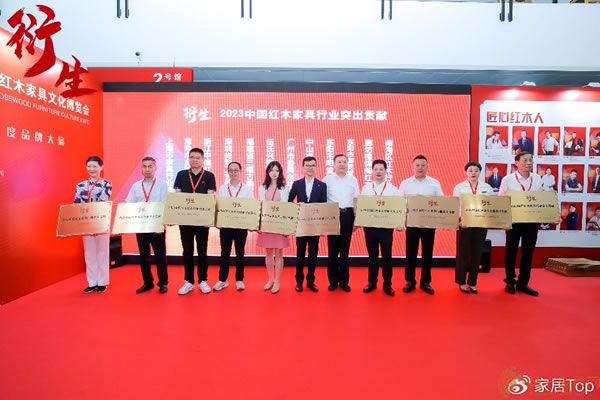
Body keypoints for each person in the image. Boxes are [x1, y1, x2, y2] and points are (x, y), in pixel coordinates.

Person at [498, 152, 542, 296]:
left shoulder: (537, 178)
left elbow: (542, 198)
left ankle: (523, 282)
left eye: (530, 160)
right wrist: (504, 220)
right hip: (514, 221)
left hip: (531, 221)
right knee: (511, 251)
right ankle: (510, 281)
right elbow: (501, 200)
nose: (528, 163)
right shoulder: (508, 179)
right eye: (525, 160)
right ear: (517, 163)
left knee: (528, 252)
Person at [398, 155, 444, 295]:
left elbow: (441, 202)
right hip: (412, 223)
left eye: (423, 165)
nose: (420, 168)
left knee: (427, 254)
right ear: (413, 167)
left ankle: (425, 281)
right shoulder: (405, 183)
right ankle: (410, 281)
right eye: (417, 165)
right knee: (410, 253)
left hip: (429, 224)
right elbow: (399, 203)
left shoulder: (434, 183)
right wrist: (401, 219)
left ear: (427, 167)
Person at [174, 147, 217, 295]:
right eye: (192, 157)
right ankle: (189, 281)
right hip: (185, 220)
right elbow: (178, 196)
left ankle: (203, 280)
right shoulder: (181, 174)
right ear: (189, 159)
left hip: (202, 221)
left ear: (203, 159)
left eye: (198, 157)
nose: (194, 160)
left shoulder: (209, 176)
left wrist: (208, 218)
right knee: (187, 251)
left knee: (202, 250)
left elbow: (210, 197)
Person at [125, 157, 169, 294]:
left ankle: (163, 283)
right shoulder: (136, 186)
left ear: (155, 168)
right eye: (144, 166)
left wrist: (162, 224)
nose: (147, 169)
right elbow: (129, 204)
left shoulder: (162, 184)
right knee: (144, 256)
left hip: (156, 226)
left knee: (160, 256)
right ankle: (147, 282)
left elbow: (165, 204)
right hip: (141, 226)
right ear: (141, 168)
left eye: (150, 166)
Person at [453, 161, 493, 294]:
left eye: (476, 171)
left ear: (480, 172)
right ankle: (461, 282)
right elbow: (456, 205)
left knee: (476, 253)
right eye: (470, 170)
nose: (473, 173)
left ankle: (472, 282)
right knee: (463, 253)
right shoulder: (459, 187)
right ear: (466, 172)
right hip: (464, 224)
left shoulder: (487, 187)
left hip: (481, 223)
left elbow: (491, 205)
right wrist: (460, 219)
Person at [288, 156, 327, 293]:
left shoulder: (322, 185)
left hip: (315, 225)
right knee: (300, 253)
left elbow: (323, 206)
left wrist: (322, 227)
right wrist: (297, 207)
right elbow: (289, 201)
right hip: (301, 224)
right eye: (307, 165)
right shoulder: (297, 184)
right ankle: (299, 281)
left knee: (313, 253)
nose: (310, 168)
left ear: (316, 167)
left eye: (312, 165)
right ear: (303, 167)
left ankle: (311, 280)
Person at [361, 160, 399, 296]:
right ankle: (372, 282)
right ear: (372, 171)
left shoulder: (393, 189)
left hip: (386, 228)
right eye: (375, 169)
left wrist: (399, 223)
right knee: (372, 256)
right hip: (370, 227)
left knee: (387, 256)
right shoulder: (366, 188)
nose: (378, 172)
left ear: (385, 171)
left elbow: (398, 208)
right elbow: (362, 207)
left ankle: (387, 284)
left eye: (381, 169)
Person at [74, 156, 112, 294]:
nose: (92, 169)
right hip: (85, 223)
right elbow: (76, 204)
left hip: (100, 222)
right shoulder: (80, 185)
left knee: (102, 252)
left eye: (95, 166)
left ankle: (102, 282)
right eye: (89, 166)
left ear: (101, 167)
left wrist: (92, 217)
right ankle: (92, 282)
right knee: (89, 253)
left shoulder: (106, 185)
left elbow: (102, 202)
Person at [213, 162, 254, 292]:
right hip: (226, 226)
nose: (233, 173)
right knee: (224, 253)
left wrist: (250, 223)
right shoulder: (223, 188)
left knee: (240, 253)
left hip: (241, 226)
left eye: (236, 170)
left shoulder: (247, 189)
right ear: (228, 172)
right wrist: (218, 222)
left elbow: (250, 207)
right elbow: (219, 206)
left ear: (240, 171)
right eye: (231, 170)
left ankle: (239, 280)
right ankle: (222, 280)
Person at [323, 154, 360, 292]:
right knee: (332, 249)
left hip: (348, 215)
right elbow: (323, 200)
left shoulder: (353, 180)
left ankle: (344, 281)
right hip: (332, 214)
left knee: (345, 249)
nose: (342, 164)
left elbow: (356, 200)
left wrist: (356, 219)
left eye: (345, 162)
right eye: (339, 162)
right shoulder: (327, 180)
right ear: (334, 164)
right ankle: (333, 281)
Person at [257, 161, 290, 294]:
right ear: (268, 172)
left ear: (280, 172)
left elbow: (285, 206)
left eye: (276, 170)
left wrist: (285, 225)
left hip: (280, 223)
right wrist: (259, 224)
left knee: (279, 253)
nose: (274, 173)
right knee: (269, 252)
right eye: (271, 170)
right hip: (267, 223)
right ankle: (270, 279)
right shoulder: (262, 187)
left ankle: (277, 280)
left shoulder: (285, 187)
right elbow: (261, 205)